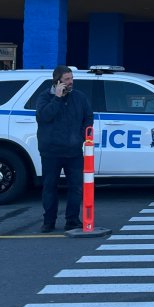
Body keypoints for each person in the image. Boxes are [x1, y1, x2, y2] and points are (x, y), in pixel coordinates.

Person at [35, 65, 93, 233]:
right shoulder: (45, 97)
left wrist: (81, 136)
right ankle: (49, 221)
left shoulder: (79, 97)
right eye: (67, 79)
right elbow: (44, 117)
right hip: (51, 151)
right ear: (57, 81)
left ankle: (72, 220)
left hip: (73, 151)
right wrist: (58, 98)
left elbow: (88, 117)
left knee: (76, 187)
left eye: (72, 78)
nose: (71, 82)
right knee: (50, 187)